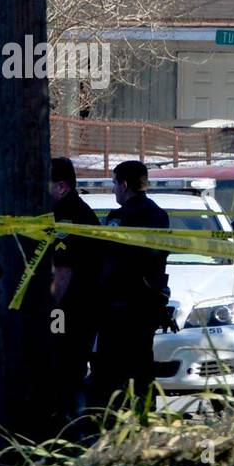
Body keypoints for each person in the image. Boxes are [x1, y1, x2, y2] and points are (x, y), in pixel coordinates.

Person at [89, 160, 170, 410]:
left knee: (108, 372)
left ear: (124, 185)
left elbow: (109, 258)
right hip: (147, 306)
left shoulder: (120, 217)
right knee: (143, 370)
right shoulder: (159, 215)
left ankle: (108, 428)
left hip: (119, 307)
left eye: (114, 183)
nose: (113, 189)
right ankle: (146, 425)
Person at [46, 157, 100, 437]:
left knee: (62, 368)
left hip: (66, 310)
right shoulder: (69, 211)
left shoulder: (70, 217)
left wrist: (49, 308)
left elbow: (63, 270)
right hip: (73, 309)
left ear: (62, 187)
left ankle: (67, 433)